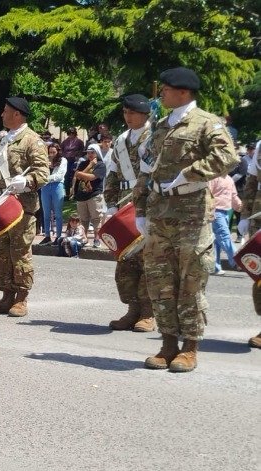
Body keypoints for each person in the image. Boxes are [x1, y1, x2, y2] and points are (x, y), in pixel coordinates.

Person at [134, 66, 238, 372]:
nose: (161, 95)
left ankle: (190, 348)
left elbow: (227, 157)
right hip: (159, 213)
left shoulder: (206, 122)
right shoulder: (161, 125)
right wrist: (140, 209)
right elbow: (147, 169)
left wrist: (190, 174)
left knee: (191, 282)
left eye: (165, 90)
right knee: (160, 282)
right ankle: (168, 345)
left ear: (183, 92)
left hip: (191, 214)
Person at [0, 96, 50, 316]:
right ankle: (6, 295)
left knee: (20, 252)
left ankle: (21, 298)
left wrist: (26, 181)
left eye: (6, 111)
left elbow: (42, 173)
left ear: (17, 114)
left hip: (20, 207)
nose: (2, 114)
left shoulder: (32, 141)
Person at [103, 94, 155, 332]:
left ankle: (148, 313)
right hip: (125, 204)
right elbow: (112, 174)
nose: (128, 117)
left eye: (132, 112)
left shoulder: (155, 137)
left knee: (147, 261)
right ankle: (132, 309)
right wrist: (111, 204)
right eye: (125, 112)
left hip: (148, 204)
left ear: (145, 114)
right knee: (126, 260)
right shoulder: (121, 140)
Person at [73, 144, 106, 247]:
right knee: (83, 220)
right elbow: (77, 176)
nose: (90, 154)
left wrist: (80, 174)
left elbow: (92, 177)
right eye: (88, 153)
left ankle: (97, 239)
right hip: (81, 195)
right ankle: (84, 238)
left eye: (92, 152)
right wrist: (89, 166)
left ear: (97, 153)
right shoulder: (83, 163)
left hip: (94, 195)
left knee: (97, 219)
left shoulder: (101, 165)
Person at [208, 173, 241, 273]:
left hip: (226, 211)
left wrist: (240, 205)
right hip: (216, 211)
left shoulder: (229, 179)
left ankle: (215, 267)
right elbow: (208, 195)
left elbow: (233, 195)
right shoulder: (213, 178)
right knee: (224, 236)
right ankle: (238, 261)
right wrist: (210, 210)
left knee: (217, 240)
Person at [38, 142, 67, 245]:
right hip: (45, 187)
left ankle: (58, 236)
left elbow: (59, 176)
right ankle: (47, 236)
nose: (51, 154)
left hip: (57, 186)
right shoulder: (45, 160)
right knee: (46, 213)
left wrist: (46, 178)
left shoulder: (63, 160)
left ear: (58, 152)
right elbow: (40, 173)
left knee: (58, 213)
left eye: (54, 152)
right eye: (50, 152)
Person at [60, 127, 84, 199]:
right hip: (66, 160)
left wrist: (77, 157)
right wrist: (63, 157)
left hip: (75, 160)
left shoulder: (79, 142)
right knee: (66, 176)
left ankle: (75, 194)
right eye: (69, 133)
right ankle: (67, 194)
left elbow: (82, 150)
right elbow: (61, 150)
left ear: (75, 133)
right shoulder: (65, 142)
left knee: (75, 176)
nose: (71, 134)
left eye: (72, 133)